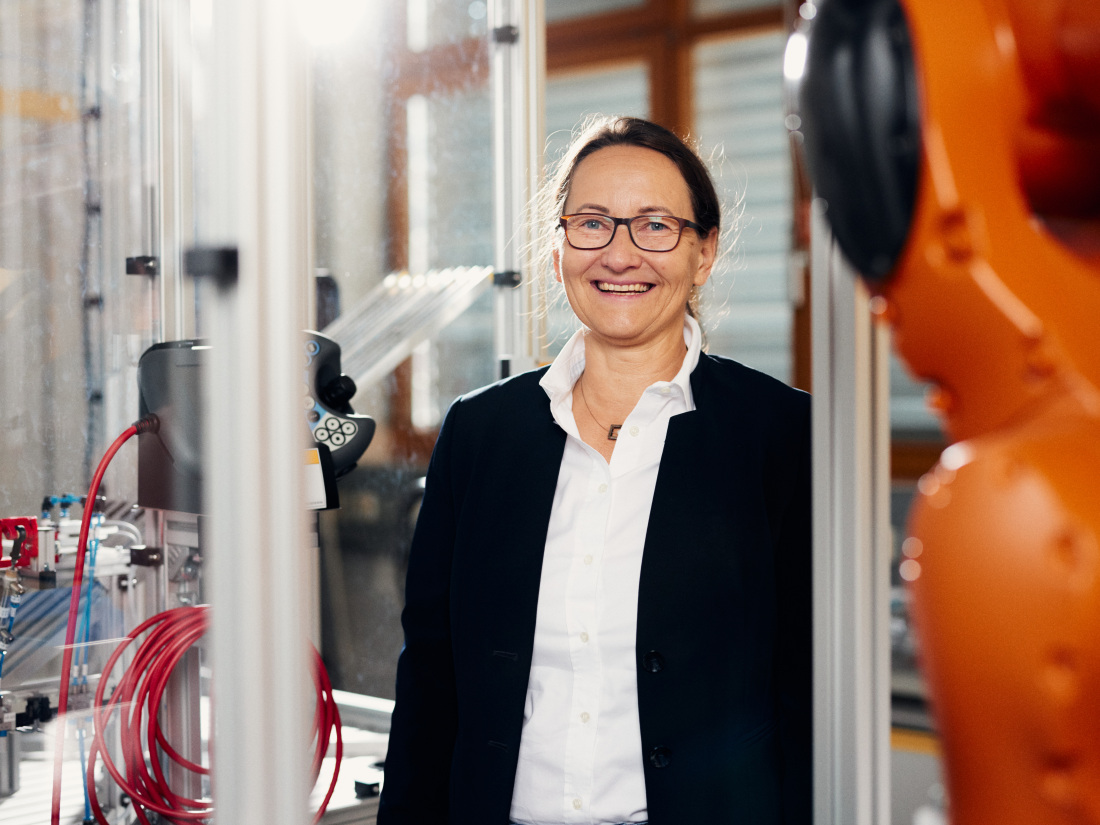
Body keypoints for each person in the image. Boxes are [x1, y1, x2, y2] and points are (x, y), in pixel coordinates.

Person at [377, 116, 812, 825]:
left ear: (704, 252)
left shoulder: (781, 434)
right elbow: (431, 679)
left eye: (655, 226)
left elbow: (807, 691)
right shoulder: (481, 432)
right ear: (557, 251)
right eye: (592, 224)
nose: (620, 253)